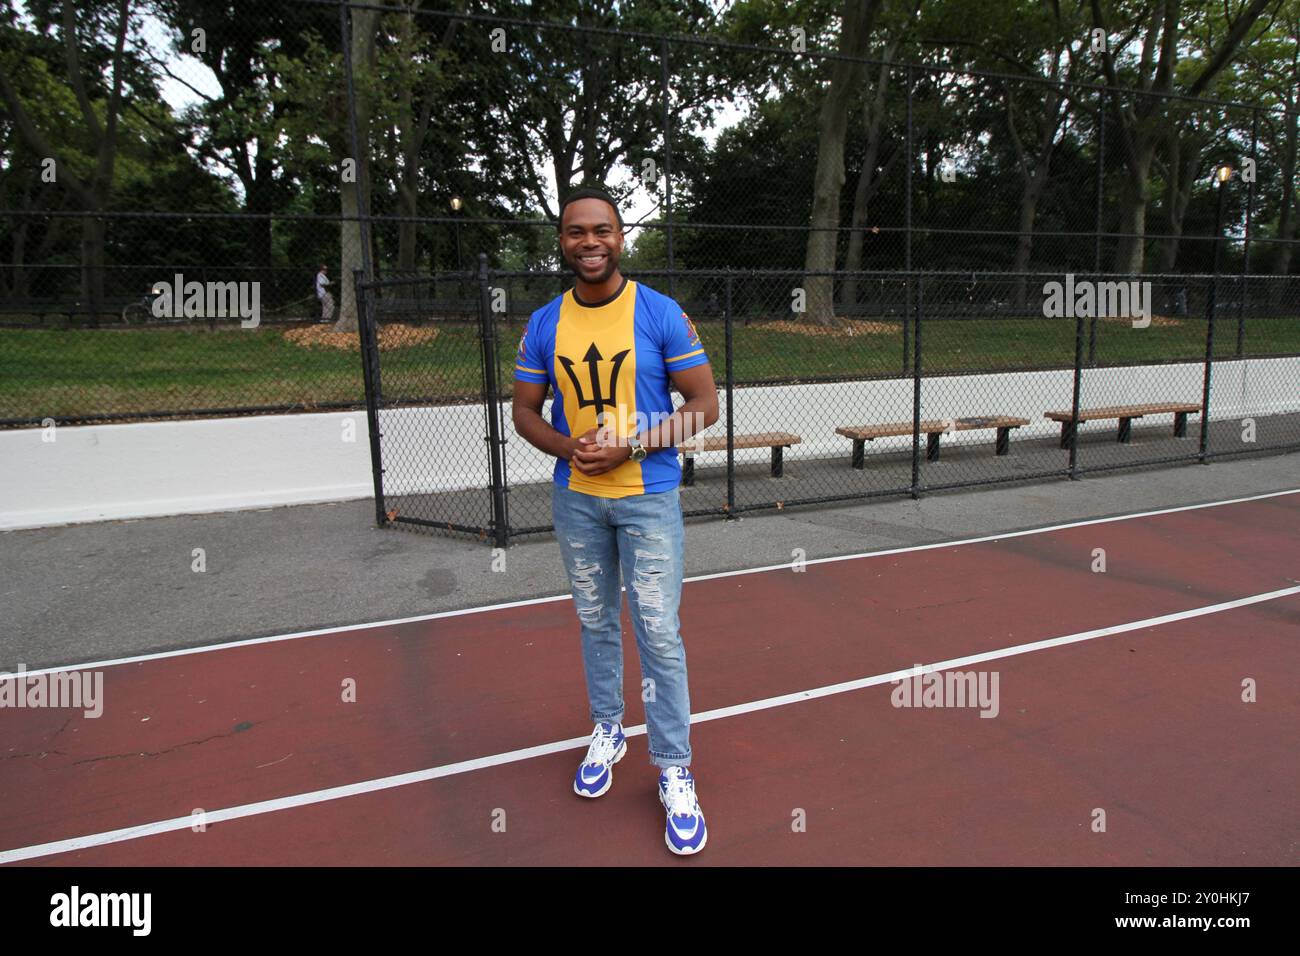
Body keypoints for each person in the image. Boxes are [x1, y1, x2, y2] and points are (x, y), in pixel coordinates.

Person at [511, 186, 719, 855]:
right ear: (563, 241)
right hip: (577, 499)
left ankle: (673, 767)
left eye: (602, 230)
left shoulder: (658, 313)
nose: (590, 242)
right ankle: (608, 729)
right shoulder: (544, 322)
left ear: (621, 236)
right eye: (576, 232)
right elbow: (524, 413)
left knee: (658, 630)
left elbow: (705, 405)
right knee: (596, 620)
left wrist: (631, 445)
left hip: (648, 496)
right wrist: (569, 447)